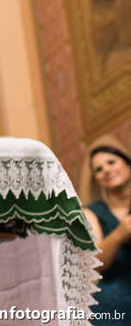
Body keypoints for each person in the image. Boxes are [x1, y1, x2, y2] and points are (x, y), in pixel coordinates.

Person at [81, 135, 131, 318]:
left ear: (127, 163)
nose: (107, 170)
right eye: (99, 169)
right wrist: (120, 233)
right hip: (114, 301)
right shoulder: (92, 213)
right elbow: (97, 261)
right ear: (97, 179)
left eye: (111, 162)